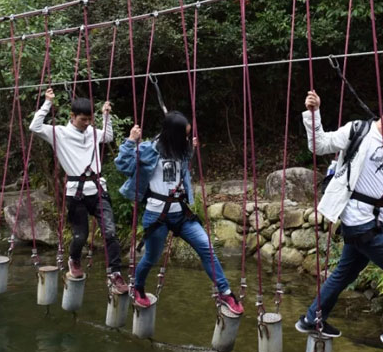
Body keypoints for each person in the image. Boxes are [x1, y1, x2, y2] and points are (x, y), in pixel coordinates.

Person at [295, 90, 383, 352]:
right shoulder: (358, 131)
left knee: (345, 273)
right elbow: (319, 145)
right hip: (358, 221)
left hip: (374, 220)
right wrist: (314, 113)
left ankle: (312, 318)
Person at [115, 110, 244, 314]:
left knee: (207, 248)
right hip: (156, 216)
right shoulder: (148, 149)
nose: (187, 139)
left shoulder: (182, 150)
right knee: (151, 257)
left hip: (181, 214)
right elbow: (123, 165)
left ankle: (225, 292)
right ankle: (137, 287)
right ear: (172, 135)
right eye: (184, 135)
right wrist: (131, 141)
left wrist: (191, 148)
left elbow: (183, 166)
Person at [29, 88, 128, 294]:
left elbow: (108, 136)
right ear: (72, 116)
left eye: (90, 119)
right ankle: (74, 259)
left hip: (98, 190)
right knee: (80, 236)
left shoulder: (92, 132)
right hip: (76, 193)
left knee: (110, 232)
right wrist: (47, 103)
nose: (87, 123)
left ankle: (115, 273)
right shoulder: (59, 134)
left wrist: (106, 117)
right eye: (83, 119)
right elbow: (34, 126)